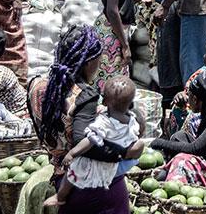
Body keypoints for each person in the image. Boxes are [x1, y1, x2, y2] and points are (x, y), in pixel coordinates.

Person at [25, 26, 143, 214]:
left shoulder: (36, 88)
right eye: (98, 60)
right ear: (89, 62)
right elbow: (84, 139)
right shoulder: (84, 95)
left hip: (63, 178)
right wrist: (124, 153)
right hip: (94, 187)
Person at [46, 76, 144, 207]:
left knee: (72, 174)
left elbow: (90, 140)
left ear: (105, 101)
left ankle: (60, 197)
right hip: (124, 165)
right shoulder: (132, 119)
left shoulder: (104, 121)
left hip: (104, 166)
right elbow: (138, 134)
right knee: (139, 145)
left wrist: (73, 153)